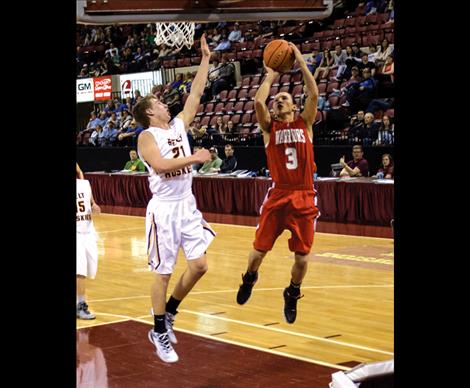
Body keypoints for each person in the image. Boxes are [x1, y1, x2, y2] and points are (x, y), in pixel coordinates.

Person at [133, 33, 215, 363]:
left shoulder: (179, 125)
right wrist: (195, 158)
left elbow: (196, 92)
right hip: (164, 210)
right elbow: (162, 165)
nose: (166, 104)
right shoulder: (146, 136)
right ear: (151, 113)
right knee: (163, 273)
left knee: (199, 266)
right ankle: (157, 331)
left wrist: (206, 59)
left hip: (187, 204)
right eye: (159, 103)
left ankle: (168, 314)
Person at [236, 42, 320, 324]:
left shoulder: (304, 124)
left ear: (294, 106)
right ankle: (249, 278)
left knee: (302, 258)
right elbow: (259, 102)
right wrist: (270, 75)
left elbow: (314, 93)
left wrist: (299, 59)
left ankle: (293, 292)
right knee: (259, 252)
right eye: (277, 100)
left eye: (283, 98)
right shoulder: (269, 129)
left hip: (304, 196)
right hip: (278, 195)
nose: (278, 101)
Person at [76, 164, 101, 320]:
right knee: (80, 271)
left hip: (88, 231)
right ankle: (81, 305)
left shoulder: (84, 184)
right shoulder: (83, 183)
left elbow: (91, 203)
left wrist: (94, 205)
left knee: (90, 269)